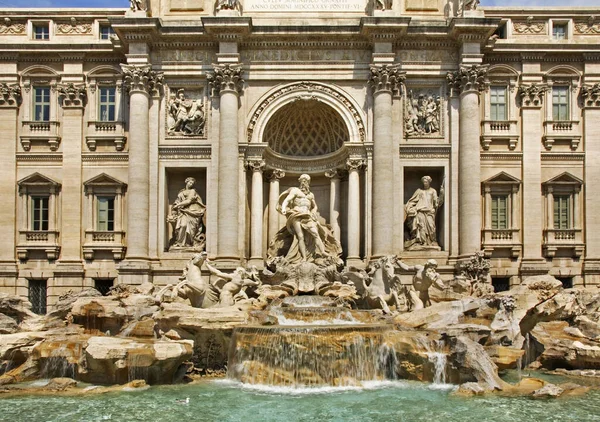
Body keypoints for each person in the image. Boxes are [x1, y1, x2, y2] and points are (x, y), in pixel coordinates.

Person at [267, 174, 342, 265]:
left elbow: (314, 206)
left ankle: (322, 252)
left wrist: (314, 211)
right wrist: (283, 208)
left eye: (305, 181)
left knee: (315, 233)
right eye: (302, 181)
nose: (303, 183)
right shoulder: (295, 191)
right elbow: (287, 200)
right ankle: (304, 257)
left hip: (307, 215)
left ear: (308, 183)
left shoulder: (311, 195)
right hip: (296, 214)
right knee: (300, 236)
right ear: (300, 182)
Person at [167, 177, 206, 249]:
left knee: (188, 228)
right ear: (186, 182)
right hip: (182, 213)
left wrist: (178, 205)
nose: (191, 184)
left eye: (192, 183)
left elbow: (189, 201)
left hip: (191, 212)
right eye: (190, 182)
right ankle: (179, 242)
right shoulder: (181, 192)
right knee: (183, 225)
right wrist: (174, 211)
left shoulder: (192, 191)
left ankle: (188, 243)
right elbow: (176, 202)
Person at [404, 175, 440, 250]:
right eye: (424, 182)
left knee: (431, 226)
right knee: (421, 227)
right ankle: (421, 242)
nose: (425, 183)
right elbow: (412, 201)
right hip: (420, 211)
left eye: (426, 182)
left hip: (429, 212)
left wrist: (441, 196)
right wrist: (410, 208)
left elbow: (436, 203)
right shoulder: (419, 191)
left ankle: (431, 241)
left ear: (429, 182)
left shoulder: (433, 191)